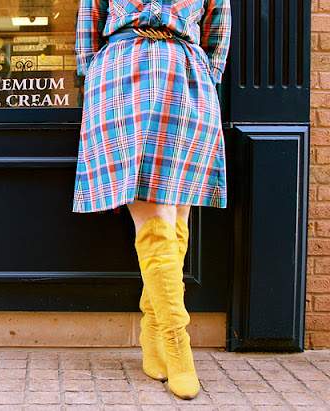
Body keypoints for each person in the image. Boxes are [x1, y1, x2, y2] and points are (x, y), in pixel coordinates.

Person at [74, 0, 231, 400]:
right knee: (156, 218)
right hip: (123, 78)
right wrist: (96, 75)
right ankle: (178, 346)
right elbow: (87, 29)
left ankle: (153, 329)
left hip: (187, 81)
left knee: (177, 217)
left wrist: (204, 72)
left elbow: (218, 31)